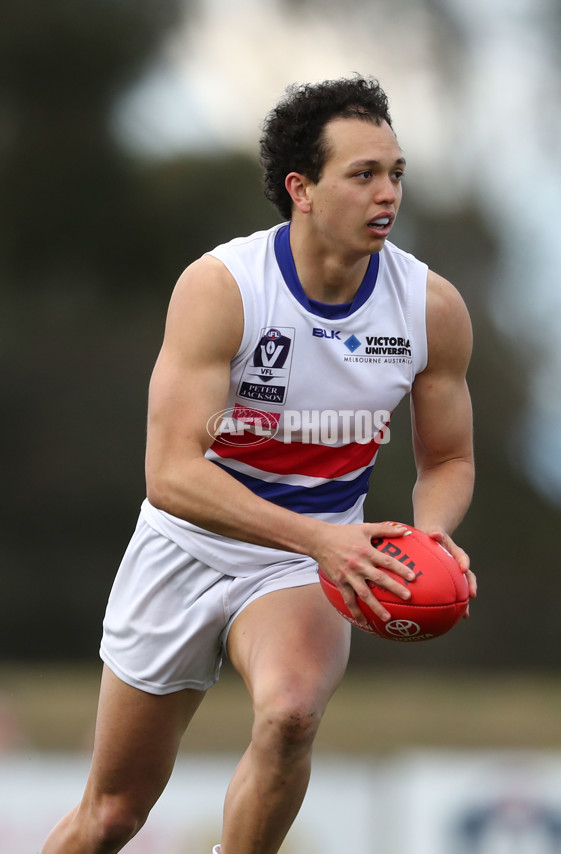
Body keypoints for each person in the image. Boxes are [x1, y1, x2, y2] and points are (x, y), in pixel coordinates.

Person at [41, 75, 476, 854]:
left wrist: (433, 535)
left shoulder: (429, 308)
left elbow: (448, 457)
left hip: (303, 564)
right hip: (186, 543)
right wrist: (321, 542)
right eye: (363, 174)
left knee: (291, 715)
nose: (388, 194)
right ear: (300, 189)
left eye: (397, 173)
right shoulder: (225, 288)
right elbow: (171, 475)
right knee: (111, 815)